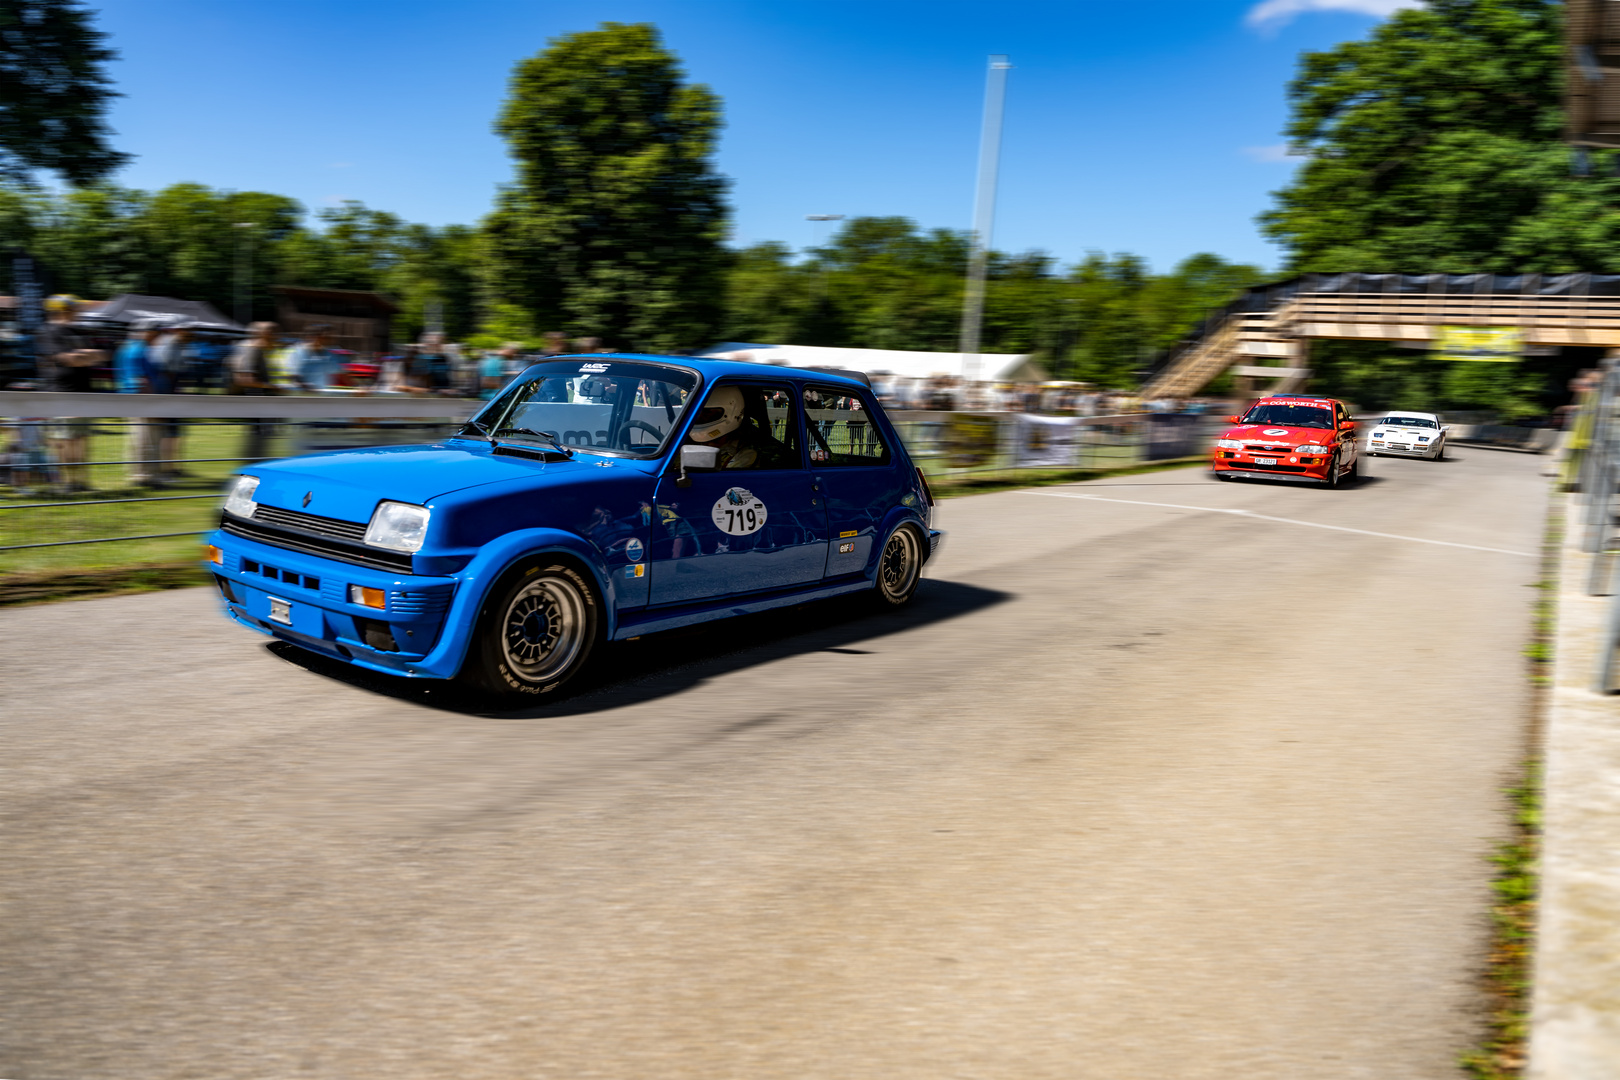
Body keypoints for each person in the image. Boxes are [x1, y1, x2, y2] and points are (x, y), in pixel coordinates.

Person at [36, 294, 104, 492]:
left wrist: (84, 356)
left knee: (81, 439)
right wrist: (85, 356)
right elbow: (70, 359)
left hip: (82, 394)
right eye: (75, 309)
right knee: (64, 441)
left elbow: (100, 355)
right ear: (62, 311)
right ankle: (66, 483)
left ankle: (81, 482)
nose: (79, 312)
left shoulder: (77, 330)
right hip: (60, 394)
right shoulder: (47, 331)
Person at [113, 319, 161, 485]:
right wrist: (152, 403)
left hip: (132, 398)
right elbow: (141, 380)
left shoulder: (127, 347)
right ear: (147, 332)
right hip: (140, 399)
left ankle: (140, 474)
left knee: (138, 438)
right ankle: (143, 476)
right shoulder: (138, 349)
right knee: (144, 439)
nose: (158, 336)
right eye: (156, 333)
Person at [226, 321, 279, 464]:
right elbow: (244, 379)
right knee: (258, 439)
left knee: (260, 438)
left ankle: (254, 467)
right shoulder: (251, 349)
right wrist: (272, 387)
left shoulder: (255, 348)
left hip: (260, 402)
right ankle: (252, 469)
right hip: (257, 401)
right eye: (271, 331)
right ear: (261, 333)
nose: (275, 334)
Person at [684, 386, 758, 469]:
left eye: (707, 412)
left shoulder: (744, 455)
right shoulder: (678, 444)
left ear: (733, 414)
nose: (699, 417)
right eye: (696, 412)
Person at [288, 325, 338, 391]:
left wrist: (354, 387)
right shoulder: (296, 352)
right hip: (301, 396)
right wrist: (308, 388)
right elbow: (293, 376)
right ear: (317, 337)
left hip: (321, 396)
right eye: (328, 337)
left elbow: (340, 373)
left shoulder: (329, 354)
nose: (332, 339)